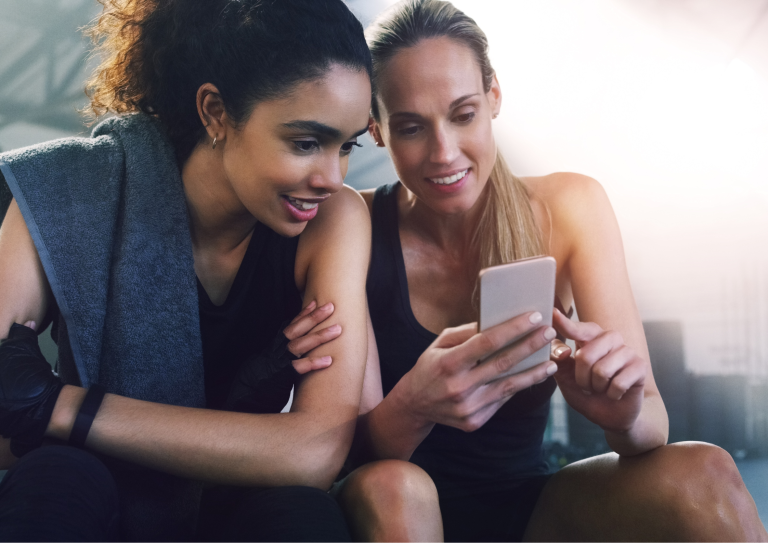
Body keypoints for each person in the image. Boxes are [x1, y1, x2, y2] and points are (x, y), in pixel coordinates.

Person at [333, 0, 768, 541]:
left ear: (494, 97)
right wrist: (414, 406)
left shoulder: (570, 207)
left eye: (463, 114)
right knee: (396, 487)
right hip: (391, 508)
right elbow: (341, 453)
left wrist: (621, 410)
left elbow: (650, 427)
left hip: (532, 509)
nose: (444, 152)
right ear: (377, 129)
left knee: (707, 470)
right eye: (411, 128)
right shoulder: (352, 222)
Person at [0, 0, 388, 540]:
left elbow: (313, 452)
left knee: (301, 515)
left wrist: (56, 406)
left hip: (238, 507)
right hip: (98, 497)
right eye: (305, 143)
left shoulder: (336, 218)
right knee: (56, 479)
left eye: (345, 146)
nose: (330, 176)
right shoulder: (68, 190)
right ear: (216, 113)